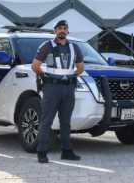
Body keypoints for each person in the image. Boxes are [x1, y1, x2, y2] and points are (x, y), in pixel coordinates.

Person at [31, 20, 84, 163]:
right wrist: (45, 77)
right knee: (46, 121)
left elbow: (80, 67)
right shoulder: (47, 46)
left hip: (68, 88)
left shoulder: (74, 48)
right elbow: (35, 65)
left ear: (67, 31)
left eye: (64, 28)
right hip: (52, 88)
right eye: (59, 28)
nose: (62, 30)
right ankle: (42, 152)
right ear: (55, 31)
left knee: (66, 122)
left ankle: (66, 151)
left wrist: (70, 77)